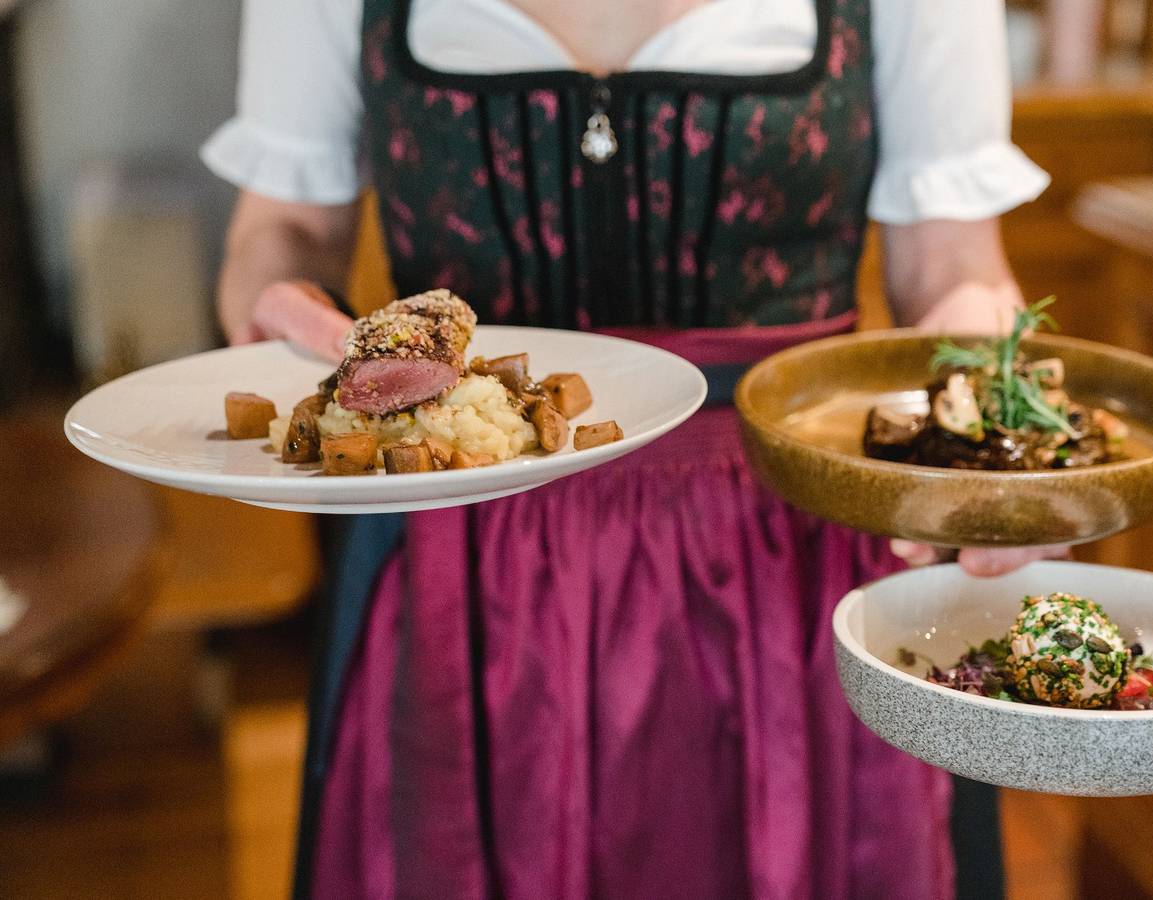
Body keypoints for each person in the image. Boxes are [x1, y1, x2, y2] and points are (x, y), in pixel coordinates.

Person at [204, 1, 1060, 897]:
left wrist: (1009, 423)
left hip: (795, 561)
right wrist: (273, 304)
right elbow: (281, 232)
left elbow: (953, 266)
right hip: (462, 550)